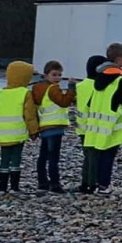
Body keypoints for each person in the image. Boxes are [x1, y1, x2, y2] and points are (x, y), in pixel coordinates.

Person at [86, 43, 122, 196]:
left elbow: (91, 102)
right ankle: (104, 185)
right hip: (113, 124)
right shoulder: (120, 80)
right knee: (108, 155)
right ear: (119, 59)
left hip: (97, 124)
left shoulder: (99, 77)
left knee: (99, 155)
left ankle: (97, 184)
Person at [33, 60, 76, 194]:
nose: (57, 78)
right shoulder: (53, 89)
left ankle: (42, 181)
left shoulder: (38, 88)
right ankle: (55, 184)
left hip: (44, 126)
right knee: (53, 157)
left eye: (59, 75)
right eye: (54, 75)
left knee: (43, 156)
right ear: (46, 75)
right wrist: (71, 88)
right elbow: (64, 102)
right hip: (55, 126)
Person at [0, 61, 37, 192]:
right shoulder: (25, 93)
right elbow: (29, 115)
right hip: (18, 133)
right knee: (16, 158)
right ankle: (14, 186)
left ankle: (2, 186)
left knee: (4, 159)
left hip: (2, 133)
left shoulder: (0, 93)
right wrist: (34, 131)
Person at [76, 54, 107, 194]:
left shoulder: (80, 85)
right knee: (94, 157)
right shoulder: (99, 86)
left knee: (87, 157)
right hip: (94, 126)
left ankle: (85, 183)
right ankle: (92, 183)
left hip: (82, 126)